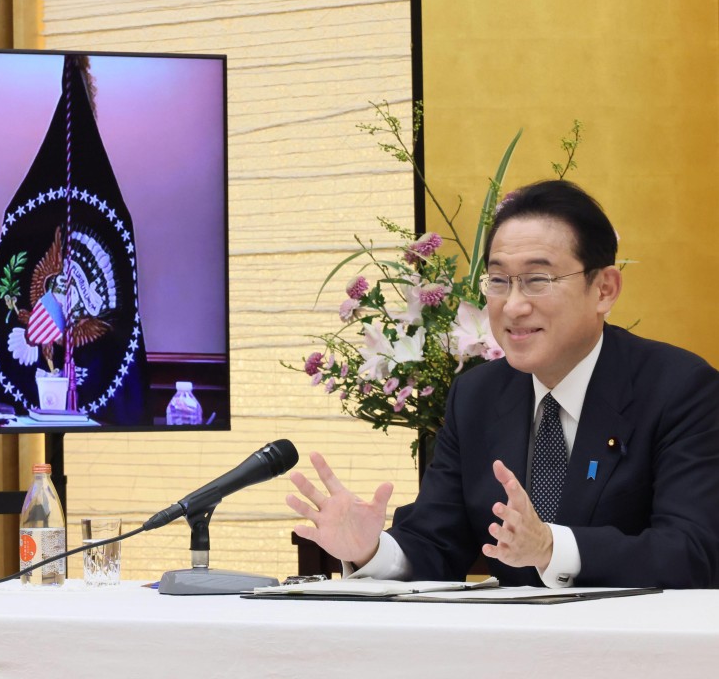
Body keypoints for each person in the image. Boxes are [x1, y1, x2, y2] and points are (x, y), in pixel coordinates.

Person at [288, 180, 719, 589]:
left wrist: (553, 548)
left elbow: (693, 551)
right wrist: (370, 550)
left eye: (538, 279)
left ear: (604, 289)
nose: (513, 306)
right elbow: (437, 541)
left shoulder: (680, 389)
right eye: (498, 280)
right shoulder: (476, 396)